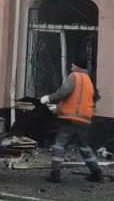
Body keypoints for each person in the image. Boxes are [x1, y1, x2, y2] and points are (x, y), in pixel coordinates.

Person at [39, 56, 104, 184]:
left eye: (73, 65)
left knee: (59, 145)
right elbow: (95, 97)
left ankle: (55, 173)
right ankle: (97, 173)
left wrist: (48, 99)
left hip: (71, 118)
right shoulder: (89, 80)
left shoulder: (75, 76)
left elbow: (64, 92)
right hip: (85, 119)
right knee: (84, 146)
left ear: (77, 66)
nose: (71, 67)